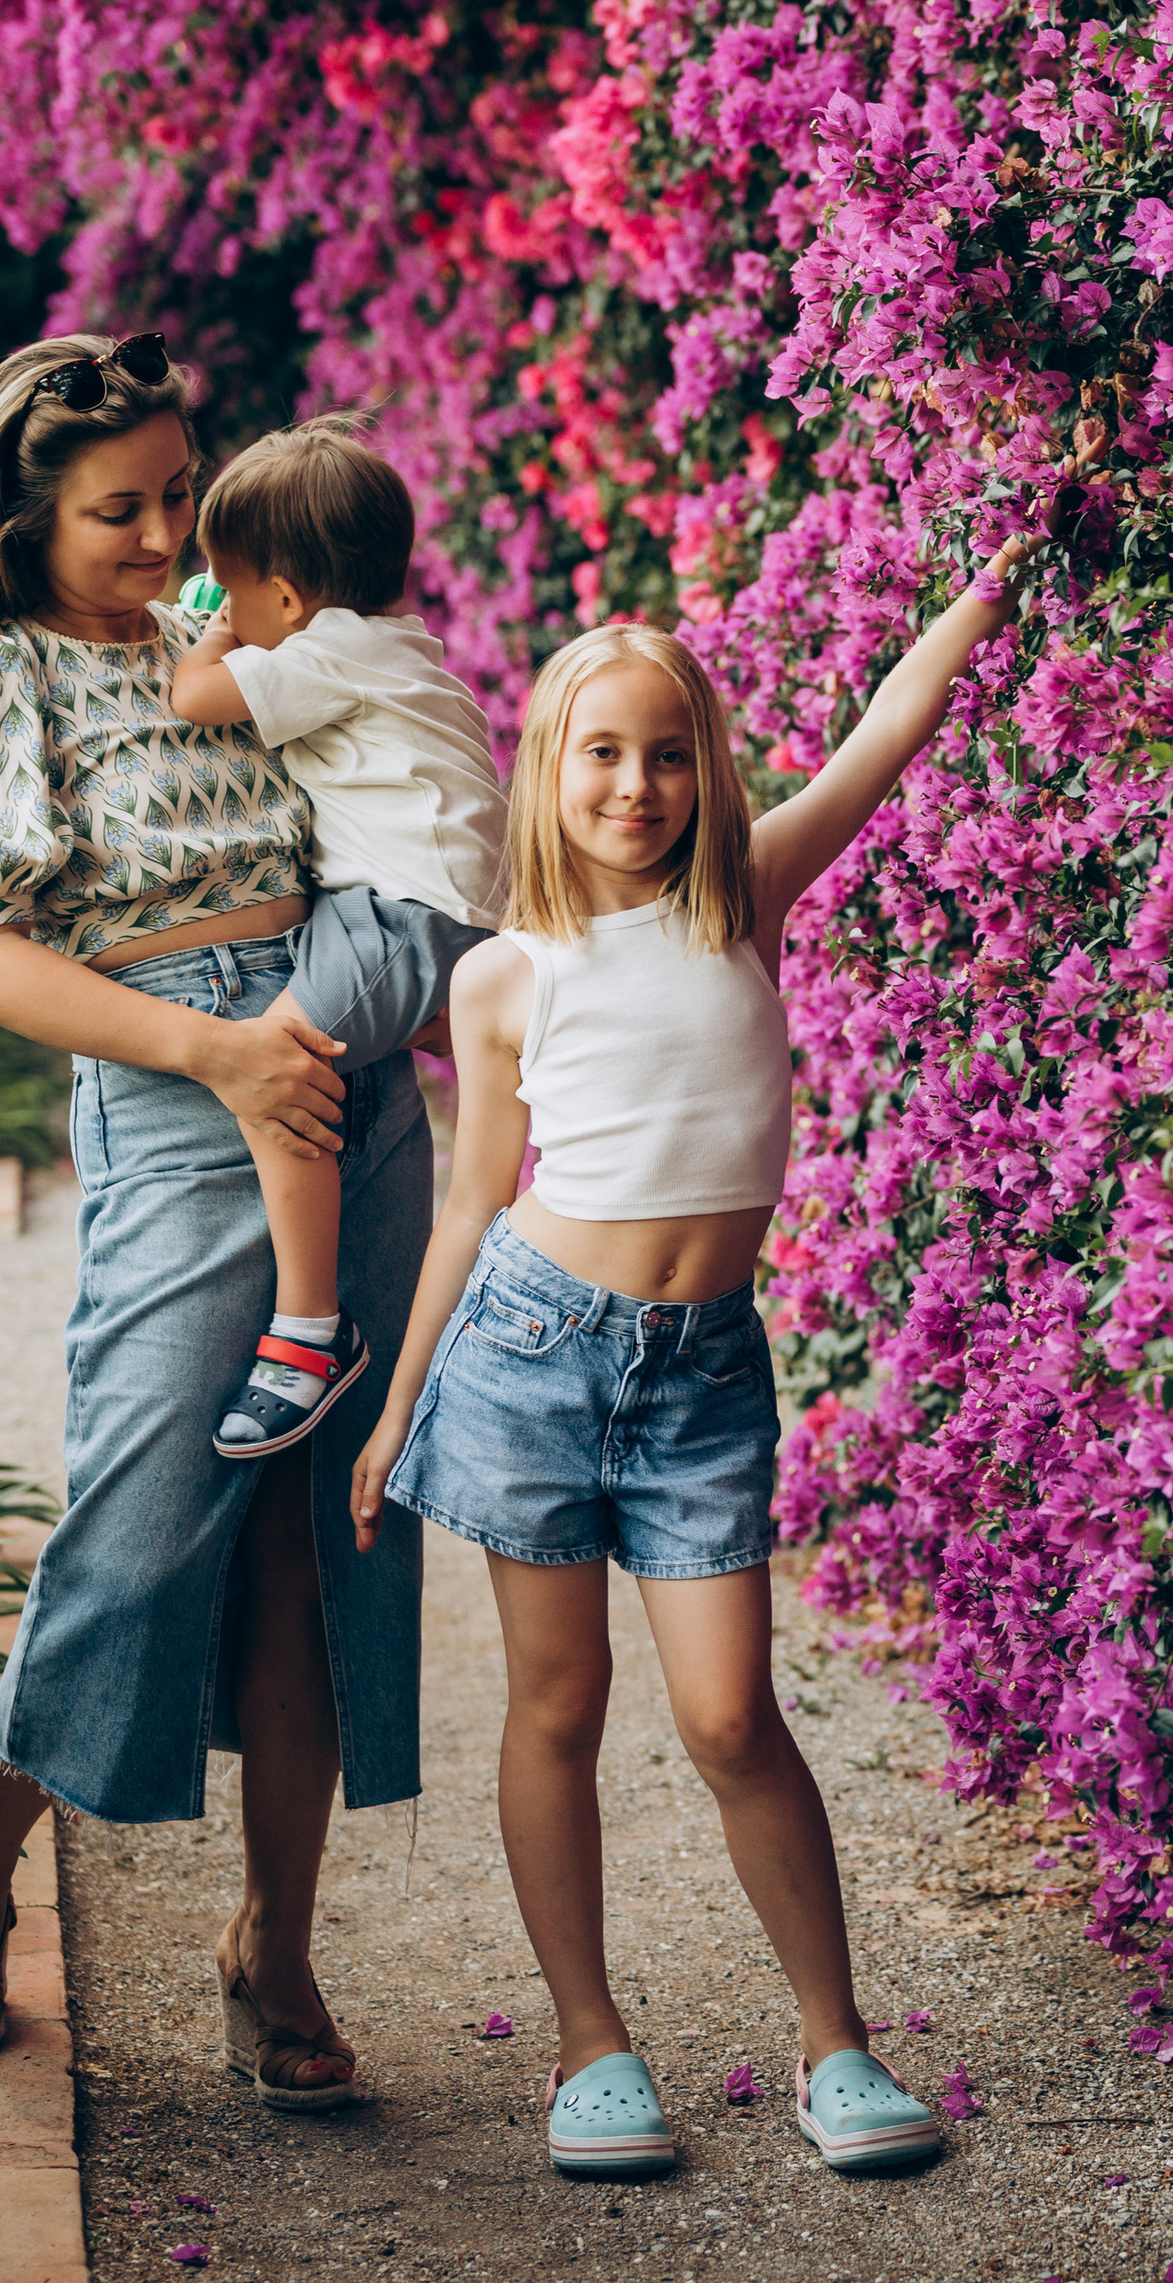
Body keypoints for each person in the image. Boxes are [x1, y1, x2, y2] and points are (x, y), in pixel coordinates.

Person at [347, 543, 1030, 2180]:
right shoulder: (504, 979)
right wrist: (397, 1405)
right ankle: (590, 2047)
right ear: (548, 769)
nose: (637, 782)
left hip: (701, 1374)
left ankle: (839, 2044)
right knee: (558, 1704)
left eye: (668, 752)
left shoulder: (749, 897)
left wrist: (995, 583)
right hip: (526, 1355)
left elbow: (892, 722)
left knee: (731, 1716)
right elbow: (471, 1200)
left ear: (705, 768)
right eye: (603, 751)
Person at [0, 331, 435, 2113]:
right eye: (119, 507)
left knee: (321, 1546)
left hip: (352, 1076)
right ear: (26, 513)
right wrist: (219, 1053)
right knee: (133, 1522)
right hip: (188, 1084)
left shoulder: (242, 622)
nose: (163, 528)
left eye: (180, 490)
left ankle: (276, 1943)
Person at [166, 417, 508, 1458]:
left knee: (278, 1076)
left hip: (401, 916)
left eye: (230, 586)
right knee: (302, 1073)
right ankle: (313, 1322)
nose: (222, 604)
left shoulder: (325, 651)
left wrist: (207, 632)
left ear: (286, 599)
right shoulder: (401, 646)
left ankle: (310, 1332)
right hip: (436, 916)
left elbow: (191, 697)